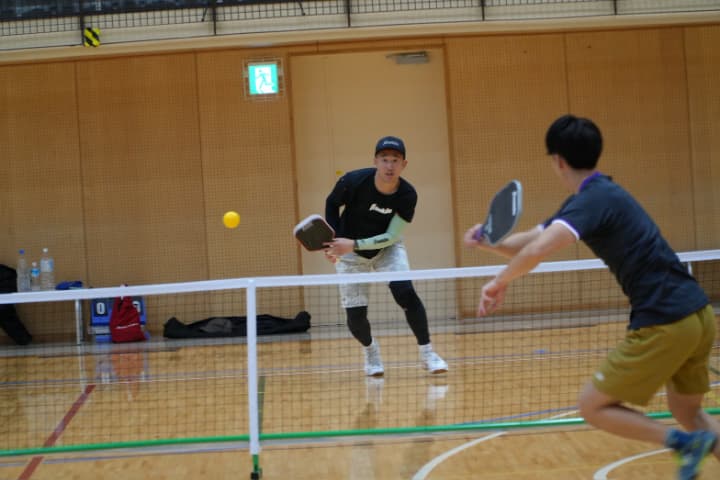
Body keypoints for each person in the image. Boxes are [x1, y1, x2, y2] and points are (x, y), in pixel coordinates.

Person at [463, 114, 718, 480]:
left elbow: (539, 250)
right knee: (689, 413)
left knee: (593, 406)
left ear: (558, 160)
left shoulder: (591, 201)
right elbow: (530, 242)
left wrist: (498, 282)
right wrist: (489, 243)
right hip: (697, 314)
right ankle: (689, 438)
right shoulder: (596, 196)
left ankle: (680, 442)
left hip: (665, 317)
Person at [323, 135, 448, 377]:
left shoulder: (407, 195)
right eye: (384, 159)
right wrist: (332, 243)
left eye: (395, 160)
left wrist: (353, 244)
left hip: (386, 248)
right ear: (375, 161)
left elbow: (392, 236)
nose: (389, 165)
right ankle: (371, 351)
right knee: (356, 318)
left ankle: (428, 354)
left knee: (406, 293)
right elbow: (331, 203)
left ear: (404, 164)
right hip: (349, 254)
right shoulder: (353, 181)